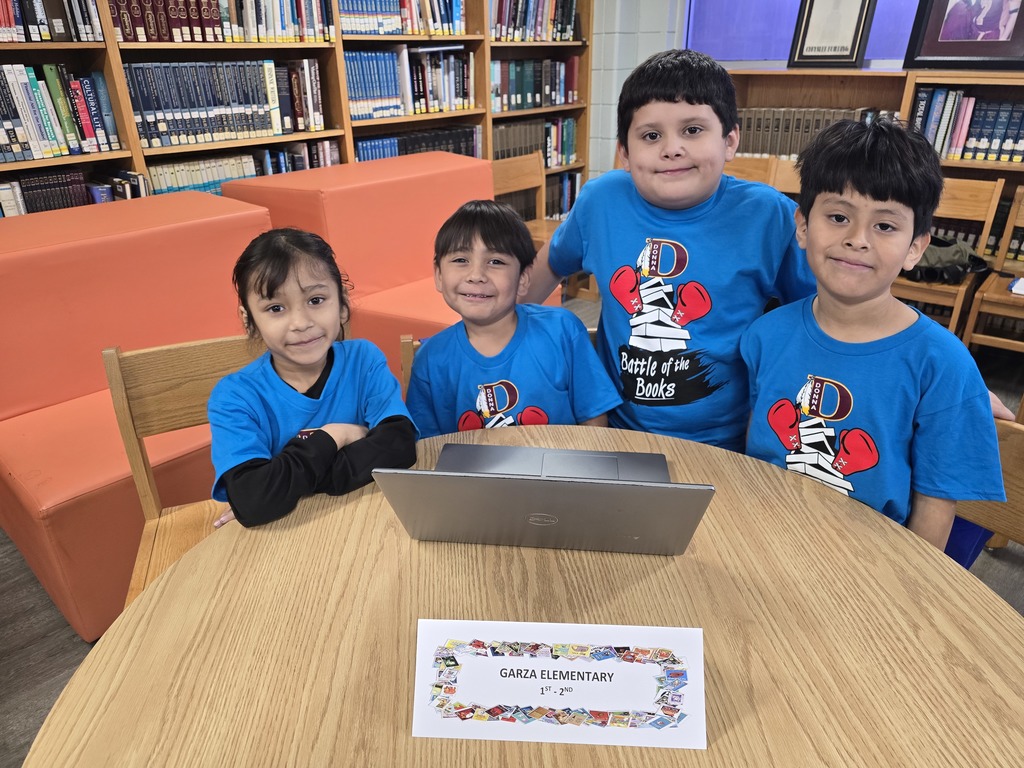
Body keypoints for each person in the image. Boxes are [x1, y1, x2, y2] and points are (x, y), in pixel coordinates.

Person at [521, 49, 815, 452]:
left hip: (729, 443)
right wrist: (502, 338)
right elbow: (546, 270)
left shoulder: (769, 215)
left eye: (693, 130)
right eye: (651, 135)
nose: (671, 148)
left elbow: (816, 316)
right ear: (624, 151)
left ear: (730, 140)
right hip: (613, 432)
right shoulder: (600, 201)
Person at [740, 118, 1004, 561]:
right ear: (803, 226)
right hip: (762, 545)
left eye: (885, 226)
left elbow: (935, 509)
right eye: (838, 217)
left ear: (916, 247)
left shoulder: (942, 363)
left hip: (868, 570)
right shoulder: (765, 335)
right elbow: (755, 448)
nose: (856, 240)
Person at [208, 228, 417, 527]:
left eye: (316, 300)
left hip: (367, 520)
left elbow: (399, 445)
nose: (301, 323)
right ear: (249, 320)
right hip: (285, 538)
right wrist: (336, 435)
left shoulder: (364, 360)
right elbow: (254, 498)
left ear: (342, 304)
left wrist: (285, 486)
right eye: (275, 308)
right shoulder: (234, 396)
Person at [406, 200, 622, 438]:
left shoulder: (562, 330)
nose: (476, 275)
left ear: (522, 278)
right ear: (438, 274)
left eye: (495, 262)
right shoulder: (430, 360)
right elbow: (426, 450)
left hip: (561, 470)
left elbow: (595, 418)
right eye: (460, 260)